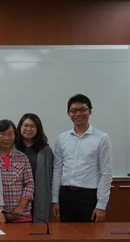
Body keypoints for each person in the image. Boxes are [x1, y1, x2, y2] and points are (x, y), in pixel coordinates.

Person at [52, 94, 113, 222]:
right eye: (73, 110)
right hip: (66, 195)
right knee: (66, 236)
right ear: (68, 113)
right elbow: (57, 170)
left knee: (89, 237)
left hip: (89, 196)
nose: (78, 114)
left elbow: (106, 173)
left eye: (82, 109)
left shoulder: (101, 138)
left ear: (90, 111)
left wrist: (101, 205)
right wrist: (55, 200)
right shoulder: (62, 138)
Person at [0, 119, 34, 222]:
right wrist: (0, 210)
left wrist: (21, 207)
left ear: (15, 136)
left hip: (21, 214)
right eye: (2, 134)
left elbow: (29, 184)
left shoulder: (22, 157)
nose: (6, 138)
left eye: (10, 134)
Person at [16, 113, 54, 222]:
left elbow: (50, 175)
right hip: (17, 197)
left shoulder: (45, 150)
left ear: (38, 129)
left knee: (38, 228)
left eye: (32, 126)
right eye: (26, 125)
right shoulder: (13, 148)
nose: (28, 129)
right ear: (20, 127)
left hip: (39, 195)